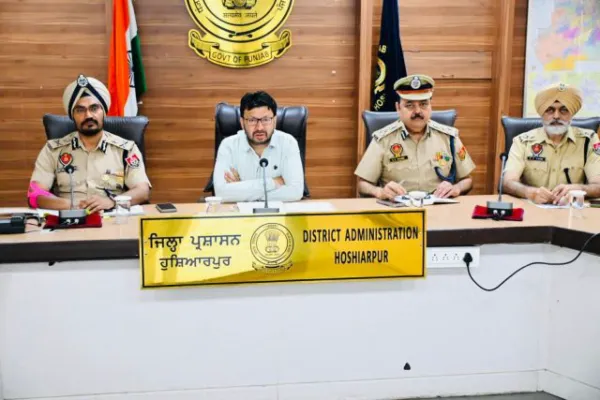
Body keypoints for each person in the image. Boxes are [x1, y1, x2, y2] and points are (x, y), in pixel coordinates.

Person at [28, 75, 151, 213]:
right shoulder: (53, 150)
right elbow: (34, 195)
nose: (88, 116)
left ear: (103, 112)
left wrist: (111, 202)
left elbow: (142, 191)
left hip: (110, 218)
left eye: (94, 108)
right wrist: (72, 206)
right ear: (72, 116)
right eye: (80, 110)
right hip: (69, 219)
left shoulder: (126, 149)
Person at [355, 74, 475, 200]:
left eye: (423, 104)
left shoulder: (449, 137)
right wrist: (380, 192)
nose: (417, 111)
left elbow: (468, 180)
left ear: (430, 105)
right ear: (398, 108)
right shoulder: (383, 139)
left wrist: (456, 188)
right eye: (409, 105)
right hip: (398, 207)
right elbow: (362, 185)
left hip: (438, 206)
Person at [503, 82, 600, 204]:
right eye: (550, 110)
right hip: (534, 208)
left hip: (572, 209)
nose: (556, 116)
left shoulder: (589, 140)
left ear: (571, 114)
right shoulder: (523, 141)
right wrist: (530, 192)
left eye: (564, 110)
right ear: (542, 114)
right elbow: (507, 182)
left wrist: (579, 189)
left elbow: (598, 185)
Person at [213, 91, 304, 202]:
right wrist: (273, 182)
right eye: (252, 120)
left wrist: (241, 191)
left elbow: (295, 192)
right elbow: (221, 193)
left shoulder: (288, 143)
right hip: (240, 212)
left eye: (266, 120)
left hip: (277, 212)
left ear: (274, 121)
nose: (259, 127)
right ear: (242, 122)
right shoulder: (228, 146)